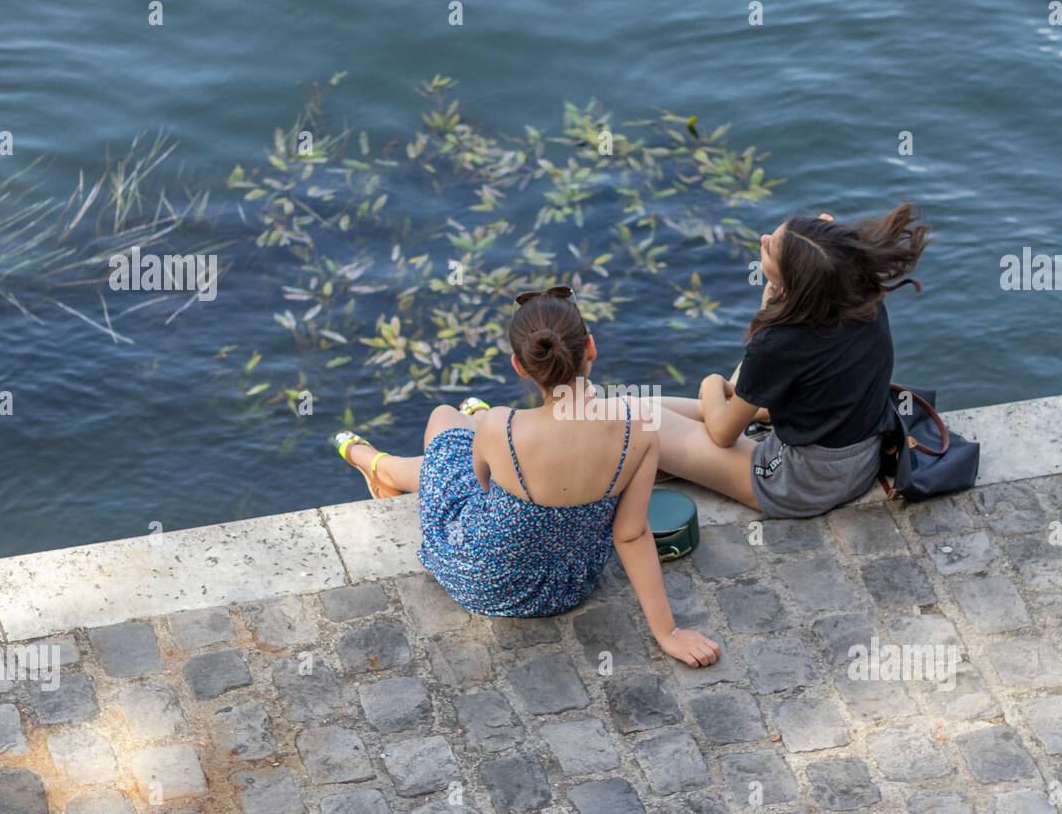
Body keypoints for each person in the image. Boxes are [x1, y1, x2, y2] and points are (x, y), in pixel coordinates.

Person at [334, 286, 722, 668]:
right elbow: (631, 535)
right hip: (569, 584)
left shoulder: (502, 427)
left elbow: (481, 489)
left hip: (481, 579)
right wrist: (668, 633)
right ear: (591, 348)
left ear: (519, 365)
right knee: (474, 429)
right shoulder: (637, 430)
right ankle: (413, 447)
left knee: (442, 419)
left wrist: (493, 430)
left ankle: (377, 463)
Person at [651, 204, 929, 517]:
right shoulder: (863, 299)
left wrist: (711, 384)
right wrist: (820, 241)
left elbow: (723, 435)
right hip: (862, 460)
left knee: (635, 419)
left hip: (802, 481)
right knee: (640, 406)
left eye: (770, 250)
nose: (764, 238)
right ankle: (759, 413)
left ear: (791, 284)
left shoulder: (778, 342)